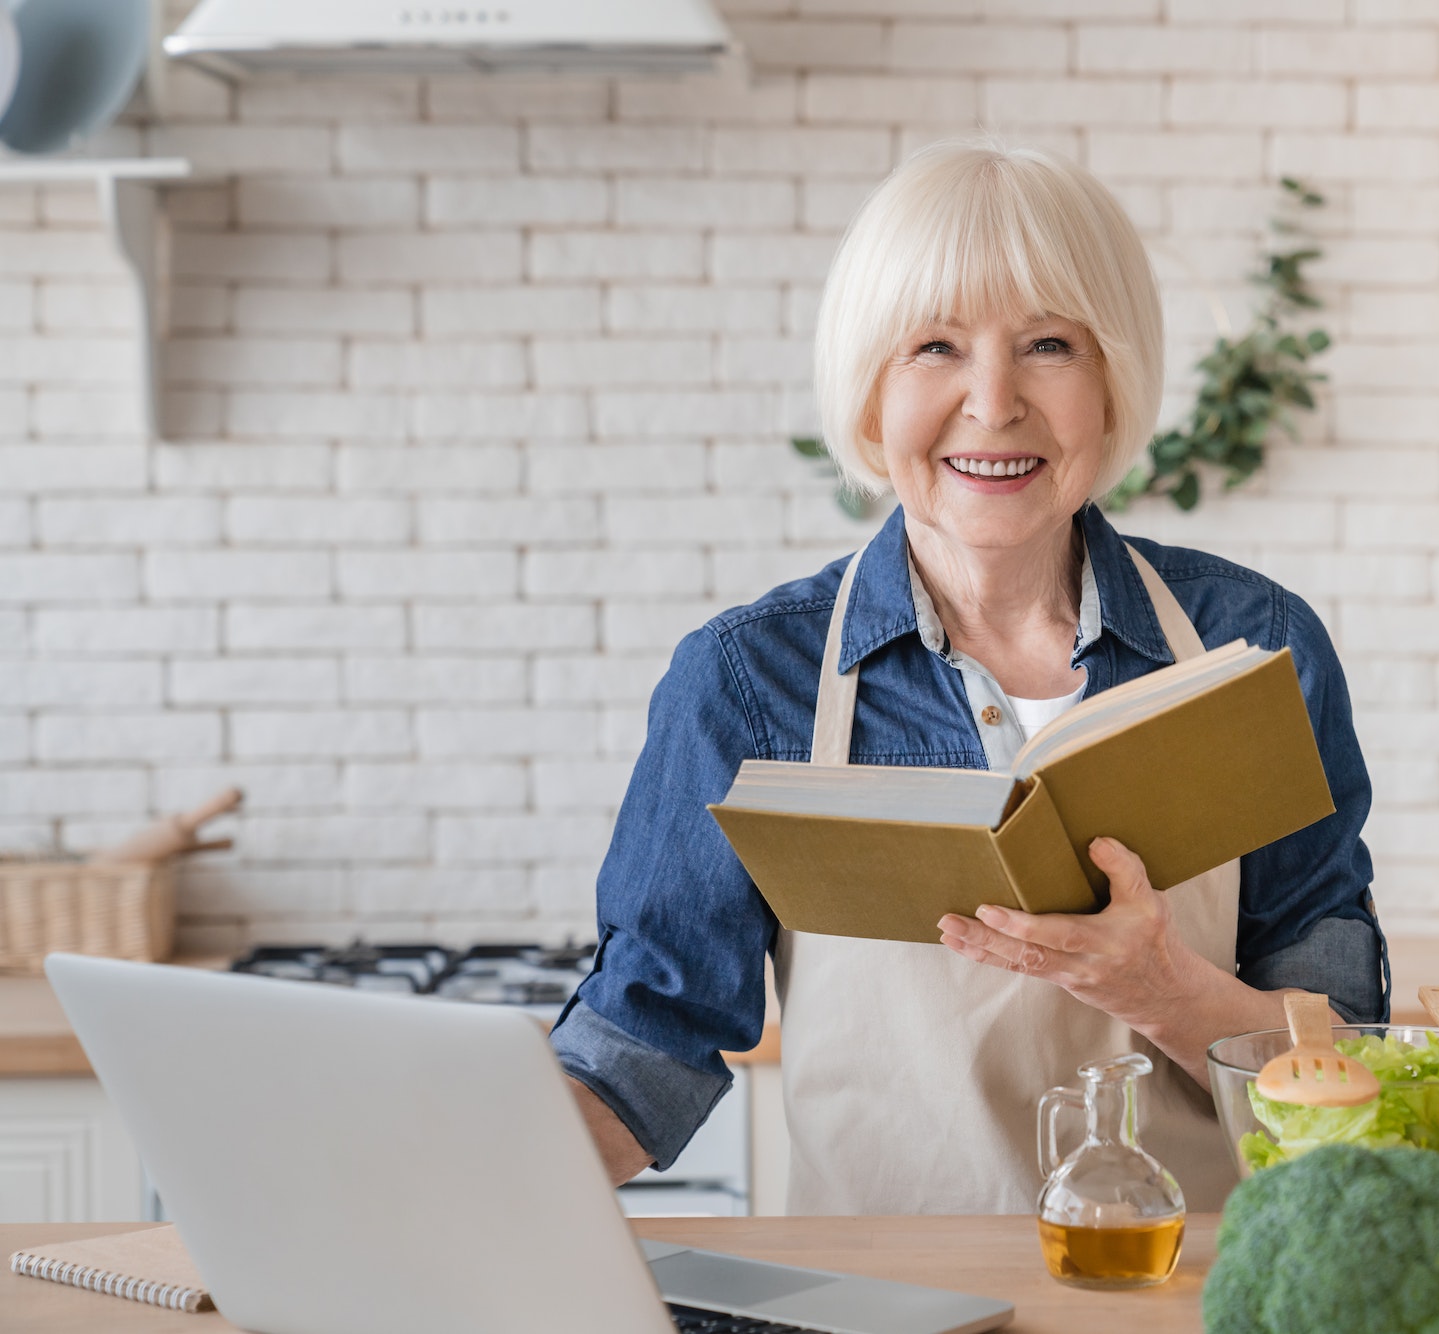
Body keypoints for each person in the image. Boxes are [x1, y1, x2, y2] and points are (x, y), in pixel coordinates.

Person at [552, 141, 1385, 1216]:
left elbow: (1346, 1070)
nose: (992, 403)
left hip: (1193, 1294)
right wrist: (436, 1191)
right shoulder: (753, 682)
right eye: (933, 346)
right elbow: (641, 1047)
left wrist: (1161, 990)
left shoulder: (1253, 648)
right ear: (868, 390)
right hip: (877, 1306)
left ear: (1112, 377)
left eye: (1047, 343)